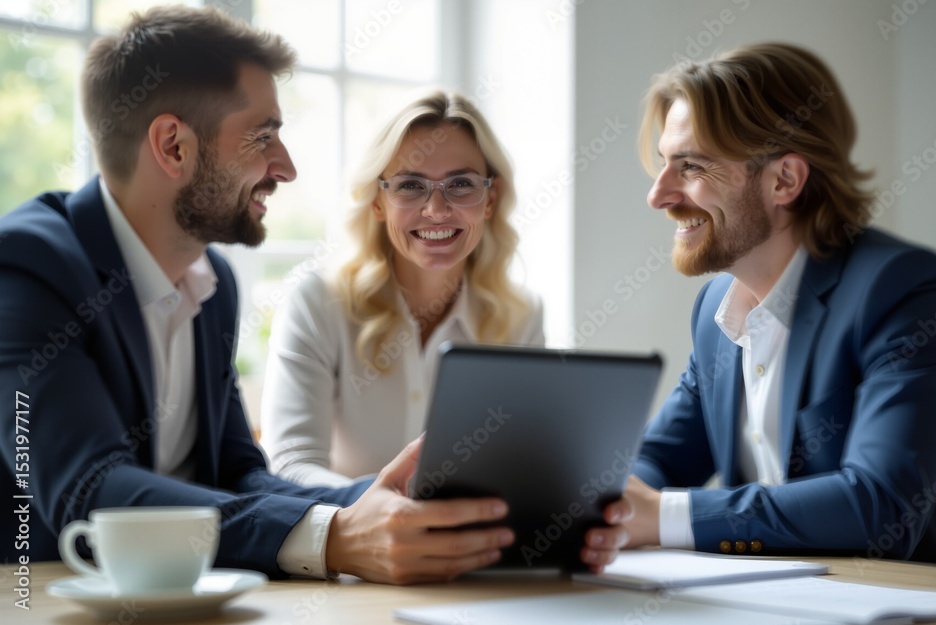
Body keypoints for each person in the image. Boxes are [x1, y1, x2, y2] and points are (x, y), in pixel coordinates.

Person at [0, 6, 627, 584]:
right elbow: (89, 487)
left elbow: (241, 475)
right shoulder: (25, 267)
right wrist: (331, 537)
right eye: (262, 136)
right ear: (173, 146)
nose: (286, 166)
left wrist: (385, 510)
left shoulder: (208, 289)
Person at [623, 42, 936, 568]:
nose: (658, 195)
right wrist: (595, 507)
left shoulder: (904, 289)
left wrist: (662, 517)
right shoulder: (716, 309)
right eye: (664, 164)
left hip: (928, 606)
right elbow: (658, 461)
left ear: (784, 180)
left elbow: (879, 507)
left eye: (690, 167)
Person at [260, 91, 543, 486]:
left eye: (461, 183)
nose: (437, 210)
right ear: (378, 202)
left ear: (490, 199)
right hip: (353, 542)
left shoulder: (521, 316)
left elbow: (524, 468)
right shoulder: (319, 304)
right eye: (411, 185)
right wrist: (393, 510)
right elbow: (290, 466)